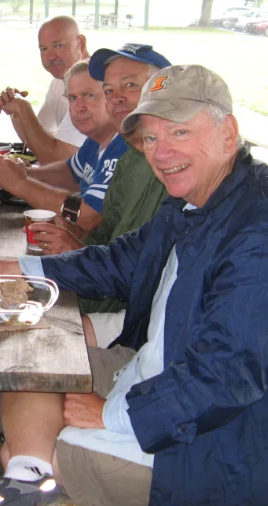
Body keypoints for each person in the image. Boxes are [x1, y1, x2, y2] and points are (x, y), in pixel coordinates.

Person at [0, 64, 268, 506]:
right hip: (154, 377)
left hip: (215, 449)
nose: (161, 153)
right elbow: (121, 260)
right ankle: (28, 479)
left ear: (228, 134)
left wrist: (112, 412)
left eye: (179, 133)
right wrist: (19, 270)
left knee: (25, 445)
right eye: (151, 139)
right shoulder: (199, 198)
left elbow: (227, 377)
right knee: (28, 358)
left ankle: (33, 476)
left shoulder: (263, 232)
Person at [29, 44, 172, 347]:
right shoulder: (131, 154)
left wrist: (21, 183)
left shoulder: (162, 164)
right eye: (108, 90)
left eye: (131, 86)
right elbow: (112, 238)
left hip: (130, 317)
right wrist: (75, 240)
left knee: (26, 336)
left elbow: (94, 221)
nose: (116, 98)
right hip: (111, 298)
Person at [0, 60, 127, 237]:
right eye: (73, 98)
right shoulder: (97, 138)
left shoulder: (123, 146)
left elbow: (89, 217)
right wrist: (23, 173)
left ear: (111, 97)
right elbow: (70, 172)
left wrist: (20, 184)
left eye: (89, 95)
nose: (79, 107)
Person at [0, 15, 88, 164]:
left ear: (81, 44)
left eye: (58, 46)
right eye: (43, 49)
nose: (50, 56)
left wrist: (24, 109)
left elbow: (57, 160)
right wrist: (16, 112)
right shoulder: (59, 82)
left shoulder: (91, 83)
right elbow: (37, 142)